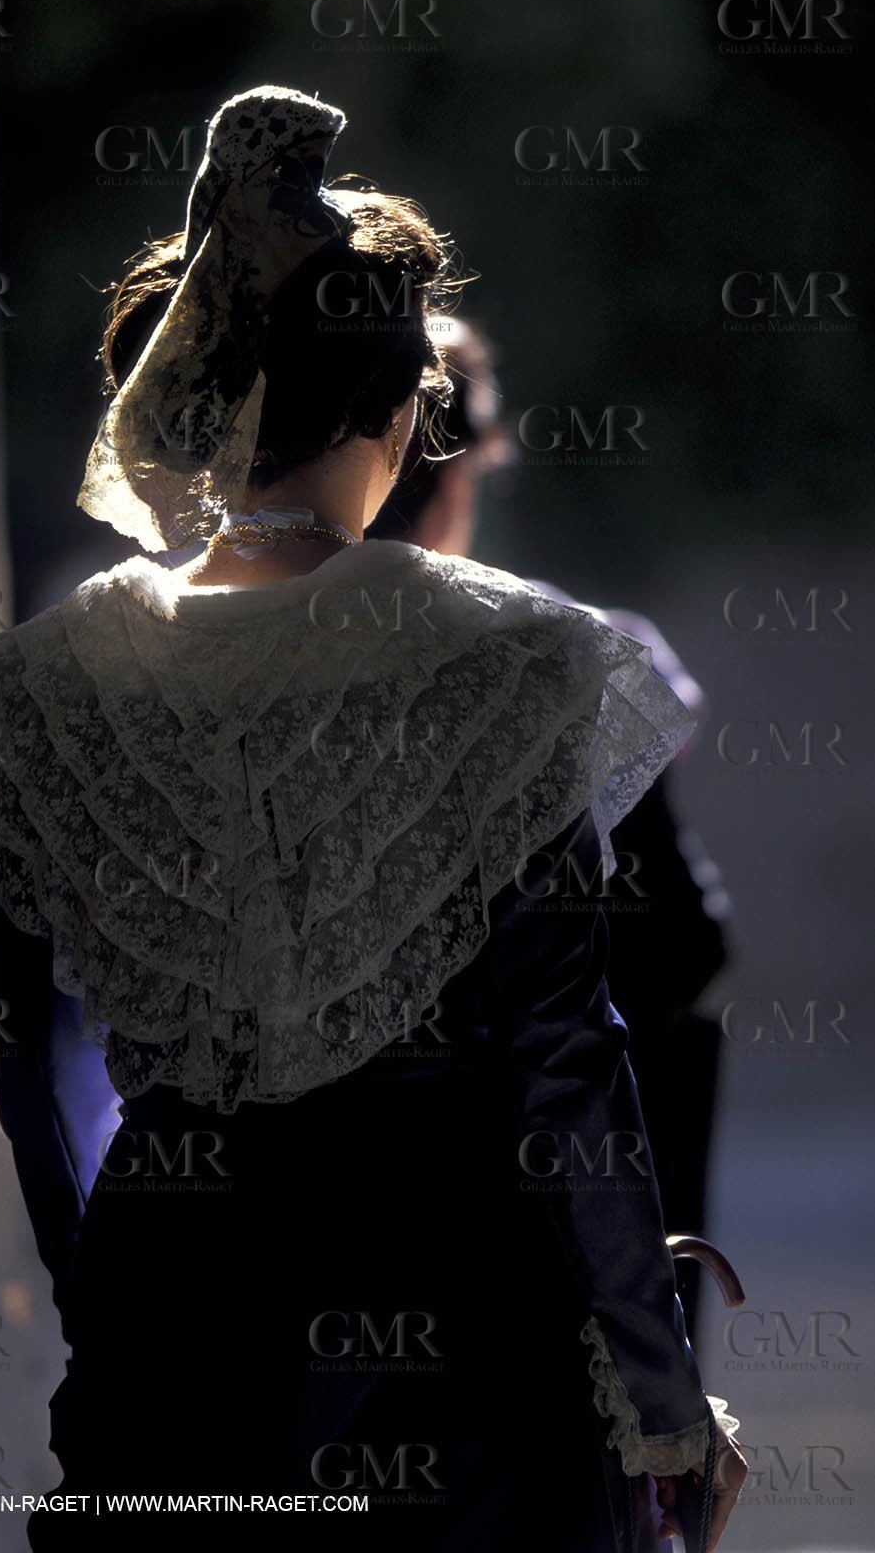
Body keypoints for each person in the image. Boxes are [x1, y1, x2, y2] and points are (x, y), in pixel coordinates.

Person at [0, 85, 745, 1551]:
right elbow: (567, 1066)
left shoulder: (42, 689)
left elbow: (29, 1079)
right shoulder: (511, 656)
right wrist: (662, 1394)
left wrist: (112, 1313)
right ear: (388, 409)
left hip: (174, 1330)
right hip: (465, 1340)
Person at [366, 318, 732, 1335]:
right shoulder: (555, 653)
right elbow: (680, 943)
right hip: (530, 1217)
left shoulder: (201, 659)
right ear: (451, 474)